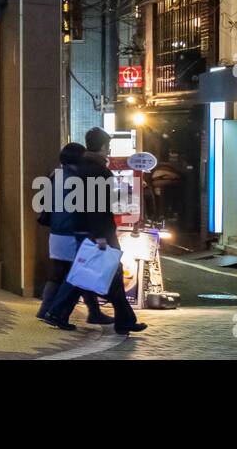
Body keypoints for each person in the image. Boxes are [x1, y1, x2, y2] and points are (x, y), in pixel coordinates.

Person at [40, 128, 146, 334]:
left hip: (86, 230)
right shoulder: (97, 171)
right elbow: (97, 207)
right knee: (88, 274)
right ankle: (57, 312)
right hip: (98, 233)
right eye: (108, 146)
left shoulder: (83, 168)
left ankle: (123, 319)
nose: (109, 150)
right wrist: (100, 236)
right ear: (103, 146)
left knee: (101, 274)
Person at [35, 143, 112, 325]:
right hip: (73, 231)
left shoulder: (55, 175)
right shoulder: (79, 177)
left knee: (60, 272)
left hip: (55, 231)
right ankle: (87, 312)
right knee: (79, 273)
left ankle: (45, 309)